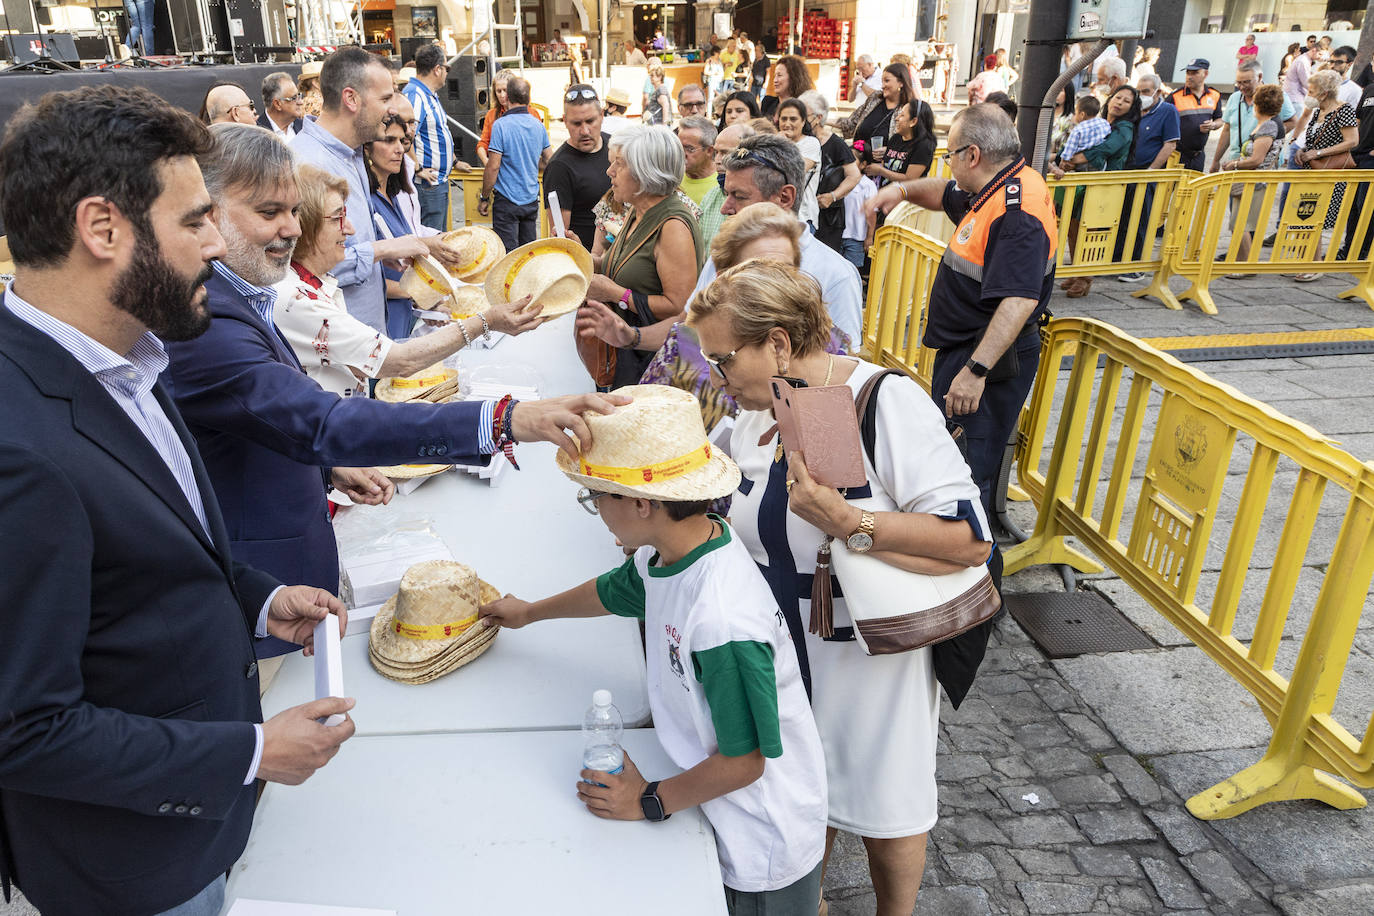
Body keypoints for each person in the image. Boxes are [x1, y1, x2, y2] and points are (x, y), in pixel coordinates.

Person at [0, 82, 357, 916]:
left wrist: (260, 599)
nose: (215, 246)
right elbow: (25, 729)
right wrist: (251, 752)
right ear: (102, 229)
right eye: (195, 220)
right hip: (133, 867)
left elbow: (156, 553)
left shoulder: (129, 356)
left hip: (195, 827)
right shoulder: (18, 448)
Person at [165, 123, 627, 623]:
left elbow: (269, 420)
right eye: (269, 212)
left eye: (295, 211)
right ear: (207, 213)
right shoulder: (208, 318)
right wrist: (503, 420)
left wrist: (328, 468)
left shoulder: (238, 294)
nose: (293, 230)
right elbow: (321, 420)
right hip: (264, 581)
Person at [688, 259, 994, 916]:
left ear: (776, 342)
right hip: (784, 650)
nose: (717, 376)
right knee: (802, 793)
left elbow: (970, 538)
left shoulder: (885, 400)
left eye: (724, 359)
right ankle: (813, 903)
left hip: (868, 652)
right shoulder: (757, 412)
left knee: (888, 804)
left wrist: (851, 521)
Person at [480, 383, 828, 914]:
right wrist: (529, 612)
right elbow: (619, 590)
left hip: (759, 843)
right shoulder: (679, 545)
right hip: (713, 806)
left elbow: (745, 763)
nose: (595, 506)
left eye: (596, 495)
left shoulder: (722, 621)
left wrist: (648, 801)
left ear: (642, 503)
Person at [867, 103, 1057, 529]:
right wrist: (900, 191)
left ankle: (978, 580)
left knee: (966, 473)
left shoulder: (1015, 211)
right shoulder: (1001, 183)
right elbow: (943, 194)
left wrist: (975, 370)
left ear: (972, 155)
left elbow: (1018, 300)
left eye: (951, 154)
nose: (947, 163)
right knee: (959, 460)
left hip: (984, 356)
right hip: (970, 348)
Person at [274, 165, 543, 397]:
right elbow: (400, 361)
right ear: (304, 227)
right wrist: (485, 322)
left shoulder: (316, 284)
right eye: (338, 218)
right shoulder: (299, 300)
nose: (350, 229)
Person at [292, 48, 451, 333]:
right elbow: (315, 269)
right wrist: (383, 249)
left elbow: (349, 249)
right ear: (351, 99)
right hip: (342, 348)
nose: (393, 110)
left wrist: (379, 256)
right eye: (386, 98)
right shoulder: (307, 163)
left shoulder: (350, 157)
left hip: (369, 339)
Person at [584, 125, 705, 387]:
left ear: (645, 173)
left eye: (620, 164)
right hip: (624, 356)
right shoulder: (637, 210)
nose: (610, 172)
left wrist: (617, 295)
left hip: (651, 365)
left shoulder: (673, 225)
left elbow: (679, 308)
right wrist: (580, 259)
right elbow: (618, 267)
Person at [1052, 86, 1140, 297]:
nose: (1119, 102)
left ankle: (1086, 276)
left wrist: (1074, 159)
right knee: (1073, 227)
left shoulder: (1125, 128)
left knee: (1092, 231)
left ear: (1132, 107)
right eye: (1117, 97)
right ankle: (1076, 270)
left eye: (1126, 101)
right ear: (1109, 100)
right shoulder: (1097, 122)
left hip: (1104, 185)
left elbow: (1106, 149)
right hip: (1080, 183)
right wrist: (1064, 159)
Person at [366, 115, 432, 340]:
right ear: (367, 149)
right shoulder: (366, 200)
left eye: (402, 142)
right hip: (380, 323)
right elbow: (361, 276)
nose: (399, 149)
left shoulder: (393, 195)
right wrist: (421, 295)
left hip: (402, 314)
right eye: (388, 141)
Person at [1291, 68, 1359, 281]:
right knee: (1304, 215)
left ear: (1324, 92)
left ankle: (1314, 263)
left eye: (1312, 91)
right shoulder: (1318, 111)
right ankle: (1304, 261)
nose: (1308, 95)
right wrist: (1302, 151)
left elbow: (1352, 141)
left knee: (1315, 218)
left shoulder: (1343, 109)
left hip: (1329, 173)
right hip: (1311, 171)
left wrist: (1318, 153)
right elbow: (1311, 139)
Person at [1115, 73, 1181, 281]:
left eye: (1145, 91)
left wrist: (1152, 169)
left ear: (1157, 92)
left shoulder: (1167, 111)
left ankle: (1135, 265)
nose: (1141, 95)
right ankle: (1116, 260)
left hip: (1146, 172)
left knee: (1141, 218)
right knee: (1122, 217)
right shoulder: (1134, 110)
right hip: (1126, 172)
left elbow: (1170, 144)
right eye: (1139, 91)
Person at [480, 76, 552, 250]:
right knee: (527, 254)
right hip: (530, 200)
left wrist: (484, 197)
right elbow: (549, 159)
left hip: (507, 201)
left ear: (509, 98)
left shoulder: (501, 125)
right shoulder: (538, 125)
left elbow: (493, 166)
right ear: (528, 99)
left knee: (508, 256)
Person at [1217, 84, 1284, 270]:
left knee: (1241, 224)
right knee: (1239, 223)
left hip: (1254, 182)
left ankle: (1244, 265)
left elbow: (1257, 159)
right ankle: (1239, 261)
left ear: (1257, 104)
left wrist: (1234, 164)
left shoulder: (1269, 125)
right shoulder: (1270, 123)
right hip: (1252, 181)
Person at [545, 84, 613, 250]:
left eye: (590, 121)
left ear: (602, 115)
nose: (584, 131)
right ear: (565, 121)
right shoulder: (559, 167)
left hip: (620, 260)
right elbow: (561, 238)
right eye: (576, 123)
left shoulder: (615, 147)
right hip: (586, 264)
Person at [799, 89, 861, 254]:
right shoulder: (799, 141)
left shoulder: (836, 144)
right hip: (803, 213)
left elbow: (854, 175)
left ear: (819, 118)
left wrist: (833, 196)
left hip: (828, 216)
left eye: (804, 115)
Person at [403, 42, 456, 232]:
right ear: (437, 69)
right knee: (433, 242)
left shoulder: (426, 94)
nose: (447, 73)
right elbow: (404, 137)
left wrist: (454, 161)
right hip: (428, 184)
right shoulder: (416, 95)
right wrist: (418, 169)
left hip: (435, 182)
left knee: (438, 237)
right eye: (446, 68)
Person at [1212, 60, 1299, 173]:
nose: (1242, 87)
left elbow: (1292, 121)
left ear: (1259, 77)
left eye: (1246, 82)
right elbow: (1227, 130)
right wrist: (1216, 160)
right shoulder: (1234, 98)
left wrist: (1267, 138)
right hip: (1237, 161)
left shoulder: (1276, 96)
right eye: (1238, 83)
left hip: (1262, 166)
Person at [698, 122, 754, 246]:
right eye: (716, 153)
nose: (717, 160)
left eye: (725, 153)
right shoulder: (710, 197)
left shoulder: (757, 198)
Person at [840, 63, 917, 151]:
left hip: (884, 163)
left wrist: (889, 151)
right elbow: (850, 124)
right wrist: (824, 120)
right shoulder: (875, 99)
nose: (882, 86)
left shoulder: (909, 109)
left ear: (901, 83)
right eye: (882, 81)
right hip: (859, 161)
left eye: (887, 81)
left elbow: (912, 143)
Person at [862, 97, 936, 189]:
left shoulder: (924, 145)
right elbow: (887, 165)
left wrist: (880, 171)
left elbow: (909, 179)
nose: (897, 118)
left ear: (913, 121)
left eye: (902, 115)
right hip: (885, 193)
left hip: (906, 199)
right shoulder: (896, 138)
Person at [1169, 60, 1224, 171]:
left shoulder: (1214, 95)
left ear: (1206, 74)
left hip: (1198, 156)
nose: (1189, 77)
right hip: (1176, 155)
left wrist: (1213, 125)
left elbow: (1220, 119)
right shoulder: (1175, 96)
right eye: (1188, 73)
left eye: (1194, 73)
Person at [777, 99, 823, 230]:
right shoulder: (775, 141)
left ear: (803, 121)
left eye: (793, 119)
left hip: (802, 217)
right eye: (783, 119)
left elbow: (796, 171)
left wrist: (783, 144)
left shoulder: (811, 143)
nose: (787, 124)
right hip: (779, 215)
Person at [677, 116, 719, 207]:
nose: (683, 154)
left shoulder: (722, 183)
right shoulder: (673, 178)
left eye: (690, 149)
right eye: (679, 147)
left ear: (709, 151)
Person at [760, 55, 814, 121]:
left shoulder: (804, 107)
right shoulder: (768, 103)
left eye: (779, 75)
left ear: (793, 78)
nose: (775, 80)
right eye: (775, 76)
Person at [842, 174, 877, 270]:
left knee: (852, 272)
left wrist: (869, 237)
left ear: (863, 164)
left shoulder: (868, 184)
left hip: (857, 238)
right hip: (836, 235)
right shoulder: (839, 178)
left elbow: (871, 213)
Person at [258, 72, 305, 142]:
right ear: (277, 104)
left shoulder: (304, 127)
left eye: (299, 95)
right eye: (294, 98)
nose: (301, 102)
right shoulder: (257, 133)